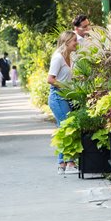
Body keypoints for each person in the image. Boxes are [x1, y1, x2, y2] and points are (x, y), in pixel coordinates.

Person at [47, 30, 79, 171]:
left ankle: (65, 163)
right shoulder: (58, 58)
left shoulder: (70, 57)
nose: (76, 43)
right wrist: (65, 87)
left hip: (66, 96)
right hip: (58, 97)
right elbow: (50, 79)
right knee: (66, 127)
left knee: (66, 127)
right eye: (74, 41)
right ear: (66, 42)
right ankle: (65, 162)